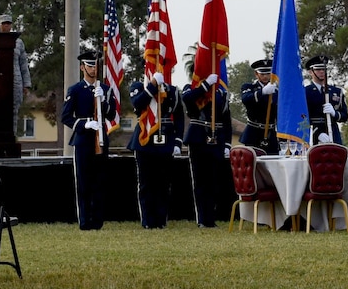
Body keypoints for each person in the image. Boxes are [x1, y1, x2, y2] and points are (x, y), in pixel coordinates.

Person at [63, 49, 119, 230]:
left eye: (95, 66)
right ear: (82, 67)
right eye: (89, 66)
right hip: (83, 140)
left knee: (99, 181)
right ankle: (85, 221)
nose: (93, 69)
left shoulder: (105, 89)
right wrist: (84, 124)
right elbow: (66, 117)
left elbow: (111, 115)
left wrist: (104, 101)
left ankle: (98, 221)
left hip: (101, 140)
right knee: (84, 182)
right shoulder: (76, 90)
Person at [180, 53, 235, 228]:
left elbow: (226, 121)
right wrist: (205, 85)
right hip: (198, 138)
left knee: (214, 182)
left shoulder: (221, 93)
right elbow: (188, 100)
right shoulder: (191, 88)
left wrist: (227, 143)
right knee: (200, 182)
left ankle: (211, 218)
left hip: (216, 140)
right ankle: (202, 219)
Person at [127, 71, 184, 229]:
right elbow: (138, 104)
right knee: (146, 184)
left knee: (163, 184)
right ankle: (147, 221)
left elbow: (179, 117)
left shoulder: (172, 91)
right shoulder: (139, 87)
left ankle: (161, 220)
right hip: (144, 141)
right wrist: (152, 86)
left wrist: (178, 142)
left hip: (166, 140)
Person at [0, 12, 29, 136]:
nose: (6, 26)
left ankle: (12, 135)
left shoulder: (18, 42)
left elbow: (23, 63)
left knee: (14, 110)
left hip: (15, 80)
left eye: (8, 24)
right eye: (3, 24)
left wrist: (26, 84)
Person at [303, 54, 348, 144]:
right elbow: (301, 117)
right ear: (310, 72)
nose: (321, 72)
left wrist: (335, 113)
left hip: (333, 132)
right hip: (312, 134)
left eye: (323, 69)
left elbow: (344, 116)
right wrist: (317, 133)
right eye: (318, 69)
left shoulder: (336, 91)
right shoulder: (305, 92)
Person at [237, 59, 279, 154]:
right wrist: (262, 92)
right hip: (254, 133)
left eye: (268, 74)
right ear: (256, 74)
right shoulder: (249, 87)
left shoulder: (276, 91)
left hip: (271, 133)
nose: (265, 76)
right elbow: (246, 99)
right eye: (262, 74)